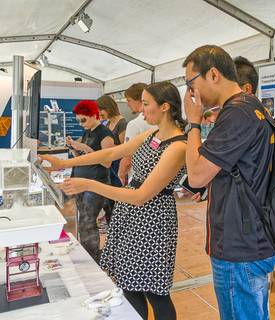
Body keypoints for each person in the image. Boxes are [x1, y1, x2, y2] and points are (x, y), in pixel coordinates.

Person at [39, 81, 186, 320]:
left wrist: (89, 184)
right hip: (130, 216)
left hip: (153, 222)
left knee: (155, 291)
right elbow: (110, 153)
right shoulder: (152, 133)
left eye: (146, 104)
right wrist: (64, 163)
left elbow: (141, 195)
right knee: (129, 285)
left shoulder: (178, 145)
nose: (141, 110)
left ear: (165, 107)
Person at [182, 45, 275, 320]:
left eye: (191, 83)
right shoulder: (249, 109)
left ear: (213, 74)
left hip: (239, 247)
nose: (191, 93)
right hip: (250, 240)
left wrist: (194, 123)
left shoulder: (237, 113)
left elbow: (197, 176)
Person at [66, 100, 115, 263]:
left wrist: (85, 149)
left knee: (88, 221)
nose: (81, 124)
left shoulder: (105, 134)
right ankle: (88, 254)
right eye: (79, 121)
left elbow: (107, 162)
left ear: (94, 115)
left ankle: (92, 259)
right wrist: (74, 149)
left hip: (96, 184)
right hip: (83, 182)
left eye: (83, 120)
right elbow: (84, 159)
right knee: (84, 221)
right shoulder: (88, 132)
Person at [97, 95, 127, 223]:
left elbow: (125, 148)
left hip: (117, 165)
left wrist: (107, 147)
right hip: (108, 165)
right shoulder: (108, 123)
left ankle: (118, 224)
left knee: (117, 200)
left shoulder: (122, 123)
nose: (99, 114)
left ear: (108, 108)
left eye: (100, 110)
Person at [118, 83, 156, 185]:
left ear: (141, 100)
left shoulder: (134, 124)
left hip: (138, 180)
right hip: (158, 179)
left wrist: (121, 175)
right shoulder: (159, 123)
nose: (128, 104)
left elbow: (127, 157)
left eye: (129, 100)